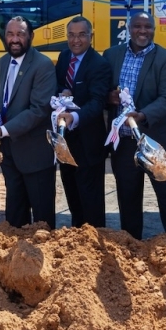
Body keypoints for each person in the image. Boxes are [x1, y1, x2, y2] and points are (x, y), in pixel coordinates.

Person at [103, 11, 166, 240]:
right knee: (128, 199)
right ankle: (132, 249)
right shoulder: (111, 55)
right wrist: (108, 97)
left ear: (154, 29)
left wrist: (142, 114)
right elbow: (102, 90)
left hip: (156, 140)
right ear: (129, 28)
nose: (143, 31)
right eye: (138, 26)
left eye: (148, 26)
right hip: (124, 143)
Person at [0, 16, 57, 229]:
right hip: (10, 154)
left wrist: (3, 130)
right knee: (15, 215)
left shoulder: (43, 65)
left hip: (36, 154)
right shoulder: (3, 62)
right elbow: (7, 97)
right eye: (10, 34)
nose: (15, 39)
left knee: (42, 221)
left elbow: (38, 110)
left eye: (20, 34)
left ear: (31, 36)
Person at [55, 16, 112, 228]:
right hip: (67, 143)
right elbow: (58, 84)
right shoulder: (63, 57)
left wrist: (74, 116)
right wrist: (61, 92)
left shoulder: (99, 64)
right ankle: (77, 243)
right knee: (73, 197)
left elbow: (97, 102)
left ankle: (95, 242)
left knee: (91, 203)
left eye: (81, 35)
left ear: (90, 36)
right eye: (71, 35)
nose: (75, 40)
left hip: (89, 145)